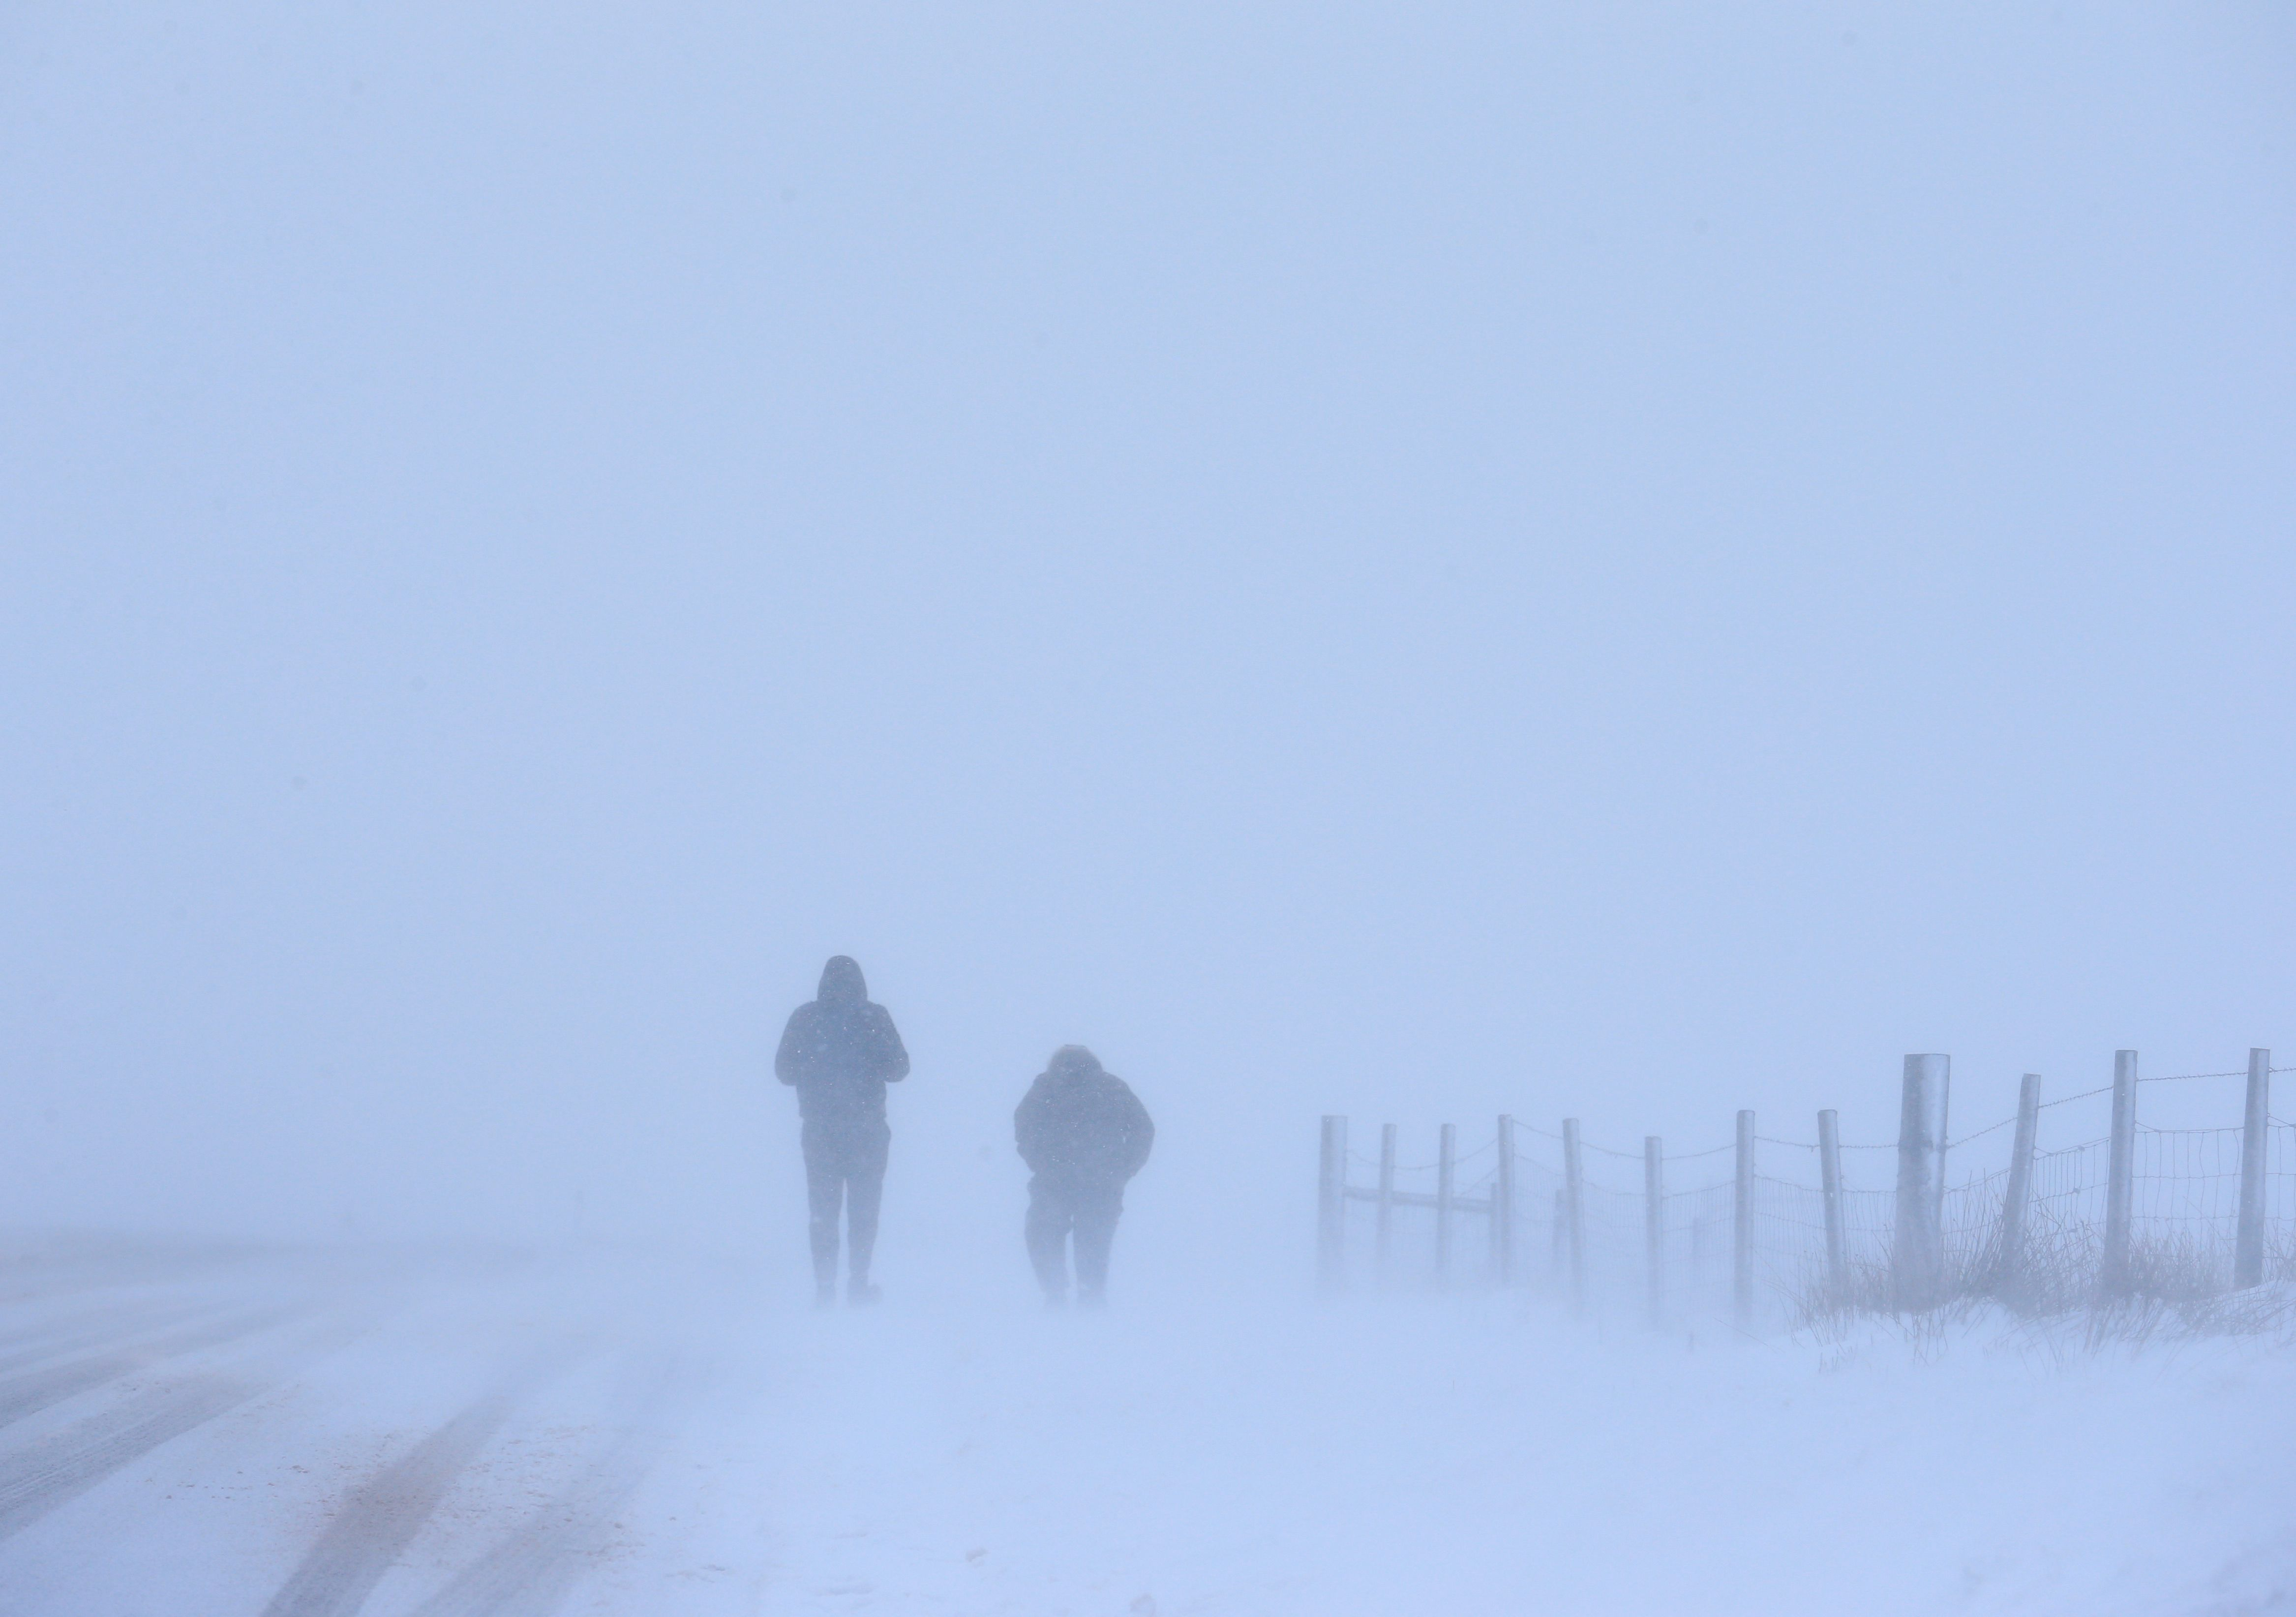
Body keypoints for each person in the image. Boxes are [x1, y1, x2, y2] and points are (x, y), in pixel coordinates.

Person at [775, 956, 909, 1306]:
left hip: (820, 1130)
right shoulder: (874, 1017)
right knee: (864, 1209)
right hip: (867, 1130)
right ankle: (858, 1283)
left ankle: (824, 1288)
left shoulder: (805, 1017)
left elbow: (784, 1073)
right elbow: (899, 1070)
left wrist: (816, 1068)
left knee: (823, 1211)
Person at [1013, 1045, 1154, 1307]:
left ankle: (1056, 1293)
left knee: (1044, 1234)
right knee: (1094, 1239)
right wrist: (1123, 1168)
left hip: (1056, 1180)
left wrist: (1041, 1162)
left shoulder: (1046, 1088)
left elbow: (1024, 1127)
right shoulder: (1112, 1088)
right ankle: (1090, 1295)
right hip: (1099, 1181)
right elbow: (1143, 1130)